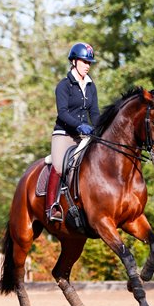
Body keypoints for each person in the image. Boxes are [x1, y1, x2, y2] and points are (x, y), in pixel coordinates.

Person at [46, 42, 100, 221]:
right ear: (74, 61)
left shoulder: (91, 86)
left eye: (89, 63)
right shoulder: (64, 86)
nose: (87, 66)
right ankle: (52, 206)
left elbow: (94, 113)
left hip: (84, 135)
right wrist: (78, 125)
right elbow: (62, 113)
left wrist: (100, 129)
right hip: (64, 134)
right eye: (84, 61)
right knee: (60, 166)